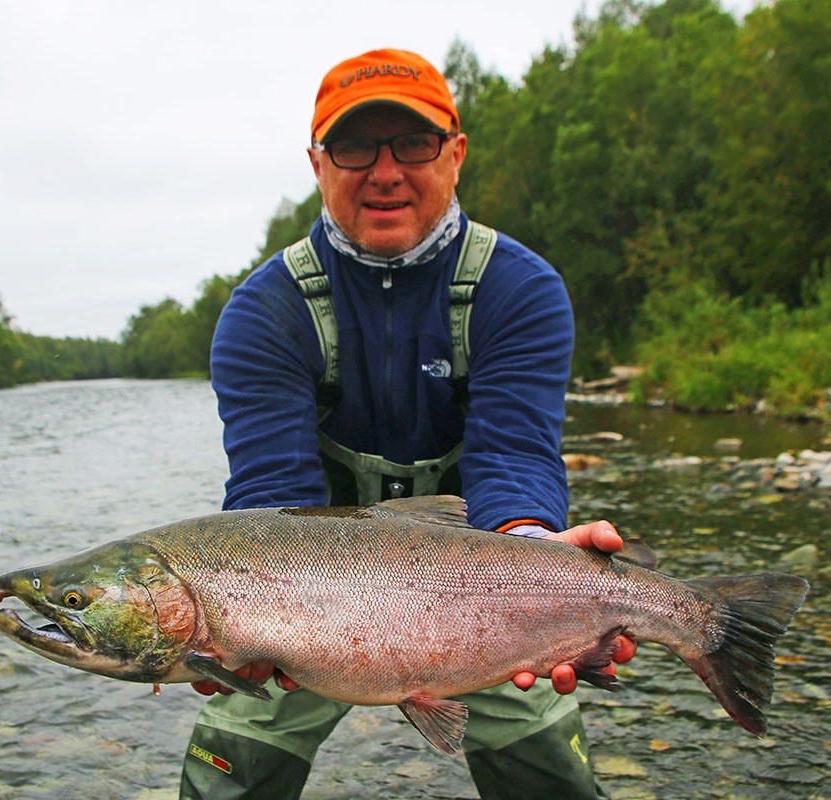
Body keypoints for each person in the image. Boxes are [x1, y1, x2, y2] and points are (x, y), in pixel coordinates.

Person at [180, 48, 635, 800]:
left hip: (479, 588)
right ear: (318, 164)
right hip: (301, 608)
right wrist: (239, 627)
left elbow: (513, 458)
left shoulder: (520, 290)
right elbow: (270, 496)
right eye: (355, 146)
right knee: (228, 776)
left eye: (413, 143)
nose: (385, 170)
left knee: (548, 775)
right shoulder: (262, 315)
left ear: (454, 155)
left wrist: (537, 558)